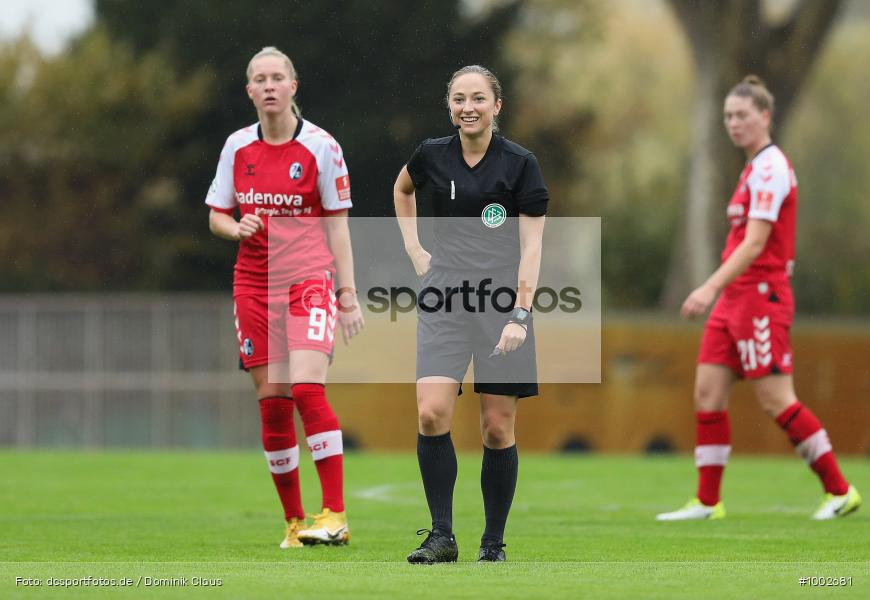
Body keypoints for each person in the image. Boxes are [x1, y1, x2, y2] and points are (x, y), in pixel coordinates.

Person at [657, 75, 861, 522]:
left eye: (742, 115)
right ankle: (708, 503)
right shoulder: (751, 166)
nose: (733, 123)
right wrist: (720, 292)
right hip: (734, 299)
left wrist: (708, 287)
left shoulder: (770, 167)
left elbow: (754, 244)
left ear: (765, 117)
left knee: (776, 399)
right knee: (707, 394)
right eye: (728, 116)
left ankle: (840, 491)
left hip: (760, 296)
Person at [205, 47, 365, 548]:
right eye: (260, 79)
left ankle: (335, 514)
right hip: (253, 285)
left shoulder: (321, 147)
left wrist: (348, 293)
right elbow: (216, 215)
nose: (269, 85)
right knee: (272, 404)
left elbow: (338, 227)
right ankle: (295, 524)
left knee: (306, 390)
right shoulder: (236, 147)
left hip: (308, 280)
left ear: (293, 86)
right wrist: (236, 227)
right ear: (249, 91)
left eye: (278, 77)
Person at [394, 65, 548, 563]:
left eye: (478, 98)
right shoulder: (431, 154)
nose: (468, 107)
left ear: (496, 106)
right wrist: (416, 251)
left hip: (502, 302)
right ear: (449, 106)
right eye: (459, 98)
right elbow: (402, 190)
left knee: (497, 428)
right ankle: (441, 537)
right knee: (431, 411)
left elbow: (532, 248)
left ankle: (493, 543)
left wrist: (520, 315)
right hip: (444, 298)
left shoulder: (520, 164)